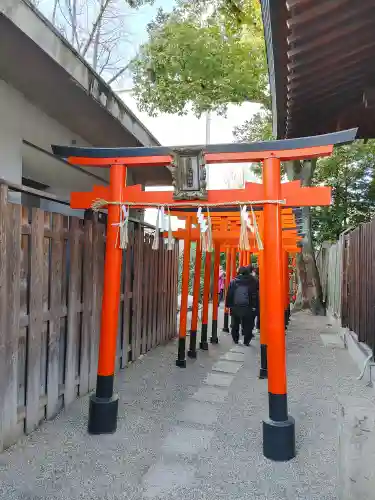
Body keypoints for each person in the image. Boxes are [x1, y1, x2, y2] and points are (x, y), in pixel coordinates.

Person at [225, 266, 259, 346]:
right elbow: (255, 295)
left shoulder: (233, 281)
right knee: (248, 325)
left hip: (235, 307)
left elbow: (229, 294)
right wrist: (255, 306)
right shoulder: (253, 281)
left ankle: (236, 339)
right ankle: (246, 341)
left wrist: (228, 305)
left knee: (235, 324)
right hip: (248, 307)